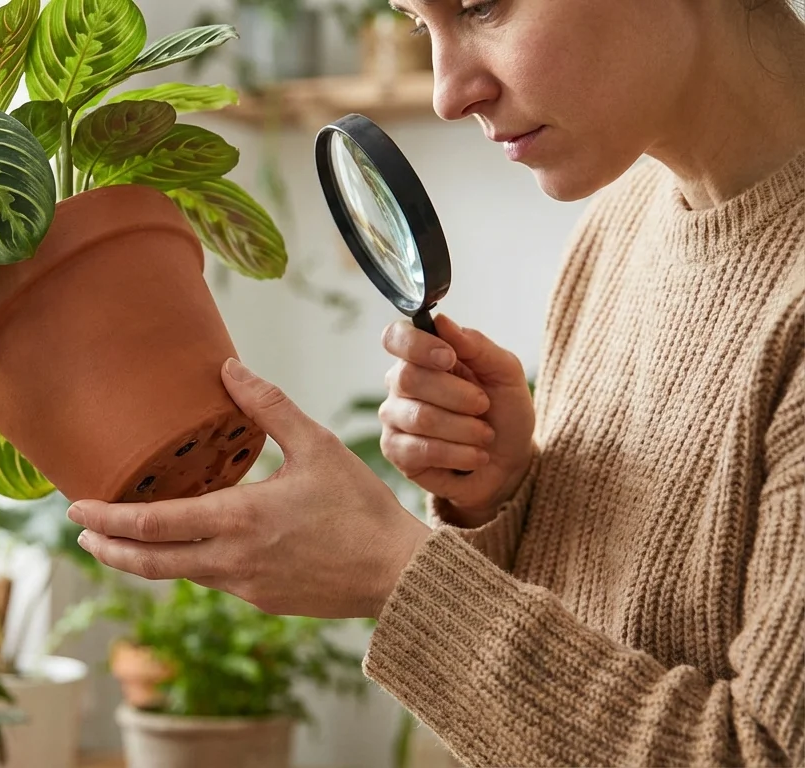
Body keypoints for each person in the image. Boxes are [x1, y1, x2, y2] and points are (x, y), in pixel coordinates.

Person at [66, 0, 805, 764]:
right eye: (421, 28)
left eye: (482, 6)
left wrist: (394, 575)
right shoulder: (623, 222)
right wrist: (505, 494)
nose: (448, 94)